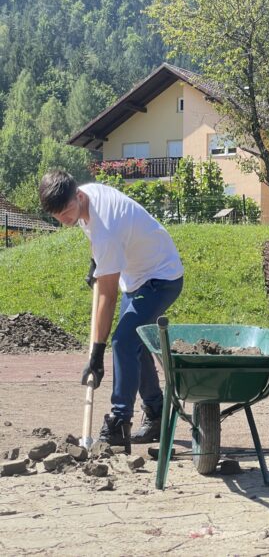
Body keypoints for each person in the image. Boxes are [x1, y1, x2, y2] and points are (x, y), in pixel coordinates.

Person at [39, 170, 184, 454]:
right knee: (135, 344)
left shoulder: (105, 226)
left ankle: (119, 422)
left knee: (123, 341)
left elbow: (107, 294)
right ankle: (156, 414)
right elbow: (96, 239)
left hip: (161, 278)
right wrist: (96, 264)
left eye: (67, 212)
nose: (65, 220)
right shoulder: (83, 201)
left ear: (78, 196)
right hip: (138, 275)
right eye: (58, 217)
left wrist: (97, 353)